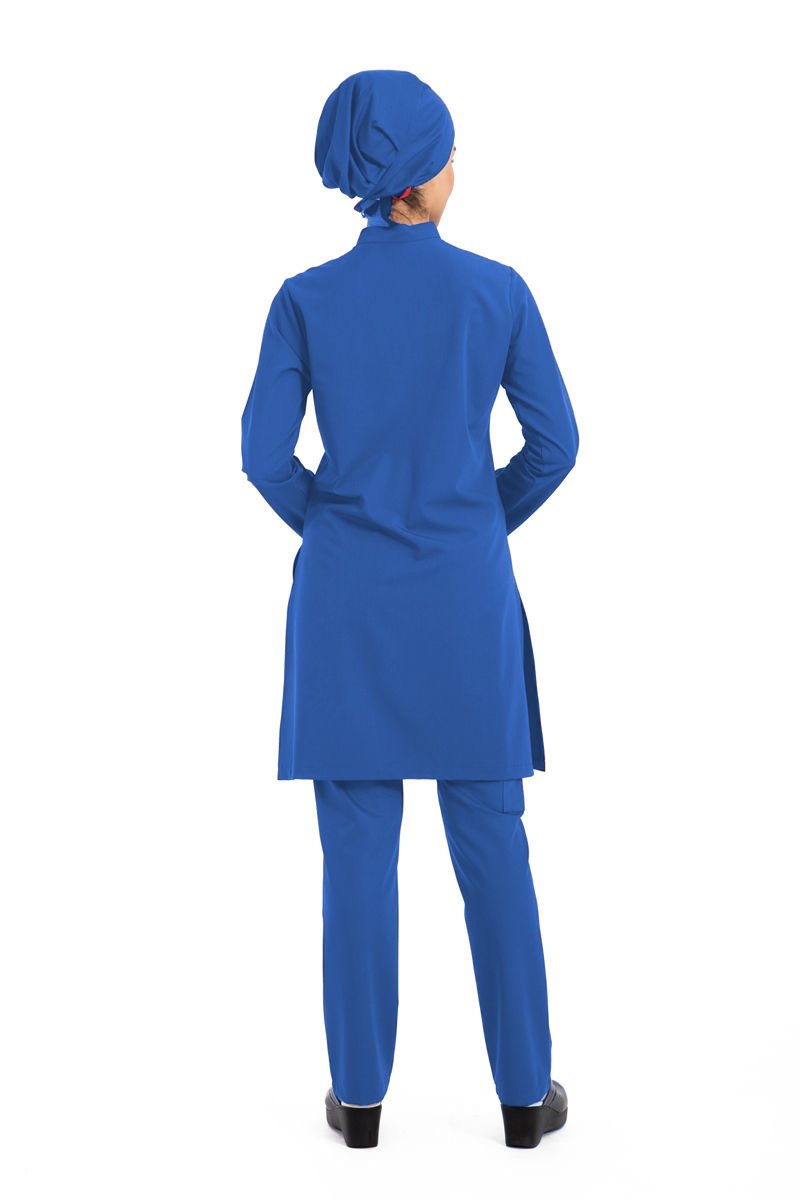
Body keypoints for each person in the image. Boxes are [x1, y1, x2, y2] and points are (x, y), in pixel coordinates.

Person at [241, 69, 579, 1150]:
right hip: (462, 604)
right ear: (421, 179)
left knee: (355, 860)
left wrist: (340, 529)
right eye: (447, 151)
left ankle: (359, 1103)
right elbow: (555, 446)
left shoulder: (304, 298)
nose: (454, 166)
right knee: (494, 851)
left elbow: (262, 457)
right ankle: (523, 1099)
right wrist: (473, 523)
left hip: (348, 612)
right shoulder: (496, 291)